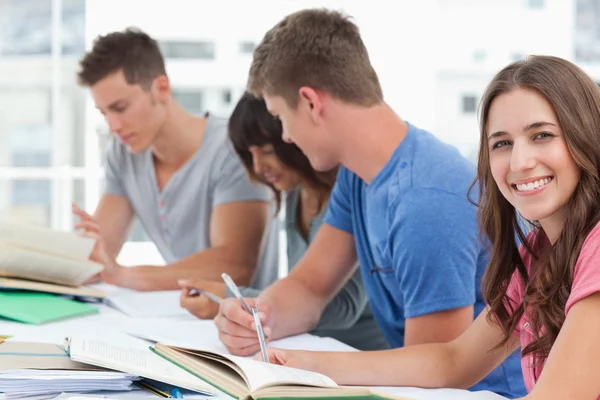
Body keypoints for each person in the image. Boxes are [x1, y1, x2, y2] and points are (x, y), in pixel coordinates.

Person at [213, 8, 525, 397]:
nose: (286, 137)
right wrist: (260, 316)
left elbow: (433, 376)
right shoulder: (357, 175)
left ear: (310, 102)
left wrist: (307, 364)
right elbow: (310, 286)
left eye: (280, 117)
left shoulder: (426, 202)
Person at [256, 55, 600, 399]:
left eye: (541, 135)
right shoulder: (540, 252)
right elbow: (452, 361)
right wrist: (304, 365)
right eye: (502, 143)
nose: (520, 162)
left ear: (585, 135)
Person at [72, 28, 279, 291]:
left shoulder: (231, 149)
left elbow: (235, 266)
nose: (112, 125)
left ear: (161, 88)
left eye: (120, 108)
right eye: (104, 113)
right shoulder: (123, 156)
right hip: (176, 316)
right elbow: (98, 258)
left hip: (244, 322)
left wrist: (126, 276)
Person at [179, 93, 388, 351]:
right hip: (313, 348)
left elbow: (342, 308)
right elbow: (301, 289)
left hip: (362, 357)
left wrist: (237, 298)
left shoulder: (351, 194)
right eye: (250, 154)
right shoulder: (295, 195)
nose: (257, 166)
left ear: (291, 138)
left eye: (266, 150)